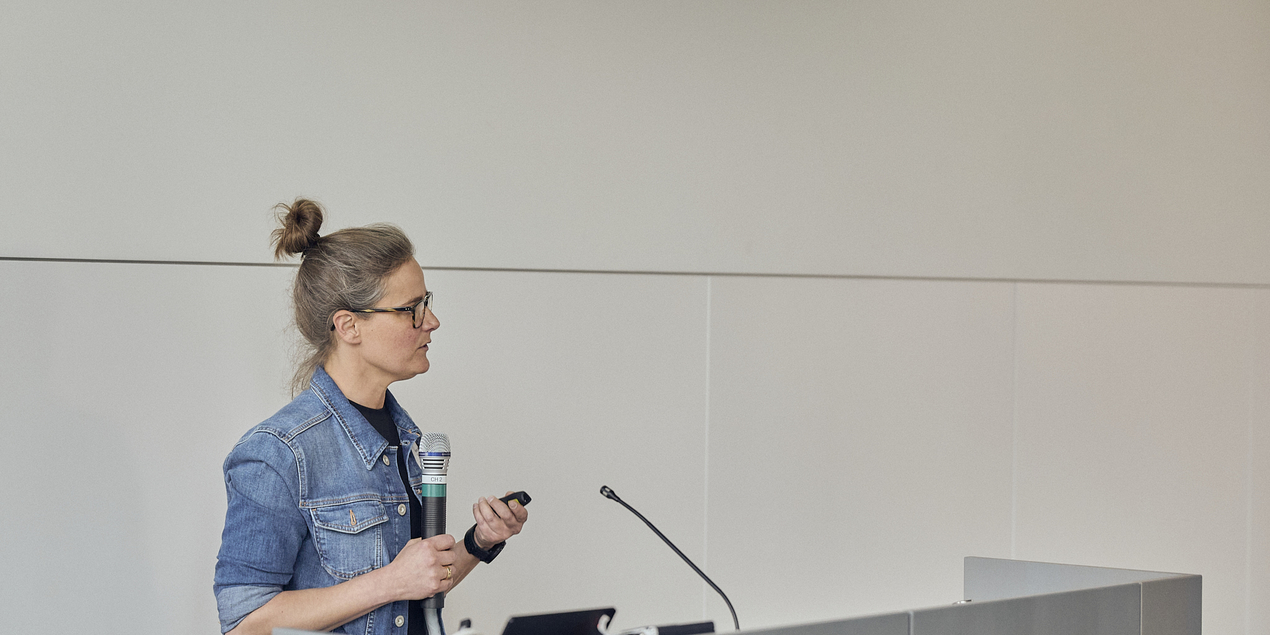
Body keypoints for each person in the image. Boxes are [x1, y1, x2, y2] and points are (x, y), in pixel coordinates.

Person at [214, 198, 528, 635]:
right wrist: (389, 581)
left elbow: (415, 590)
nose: (432, 321)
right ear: (349, 326)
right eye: (411, 309)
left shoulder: (408, 438)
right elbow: (245, 620)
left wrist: (480, 542)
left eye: (427, 303)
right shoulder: (279, 452)